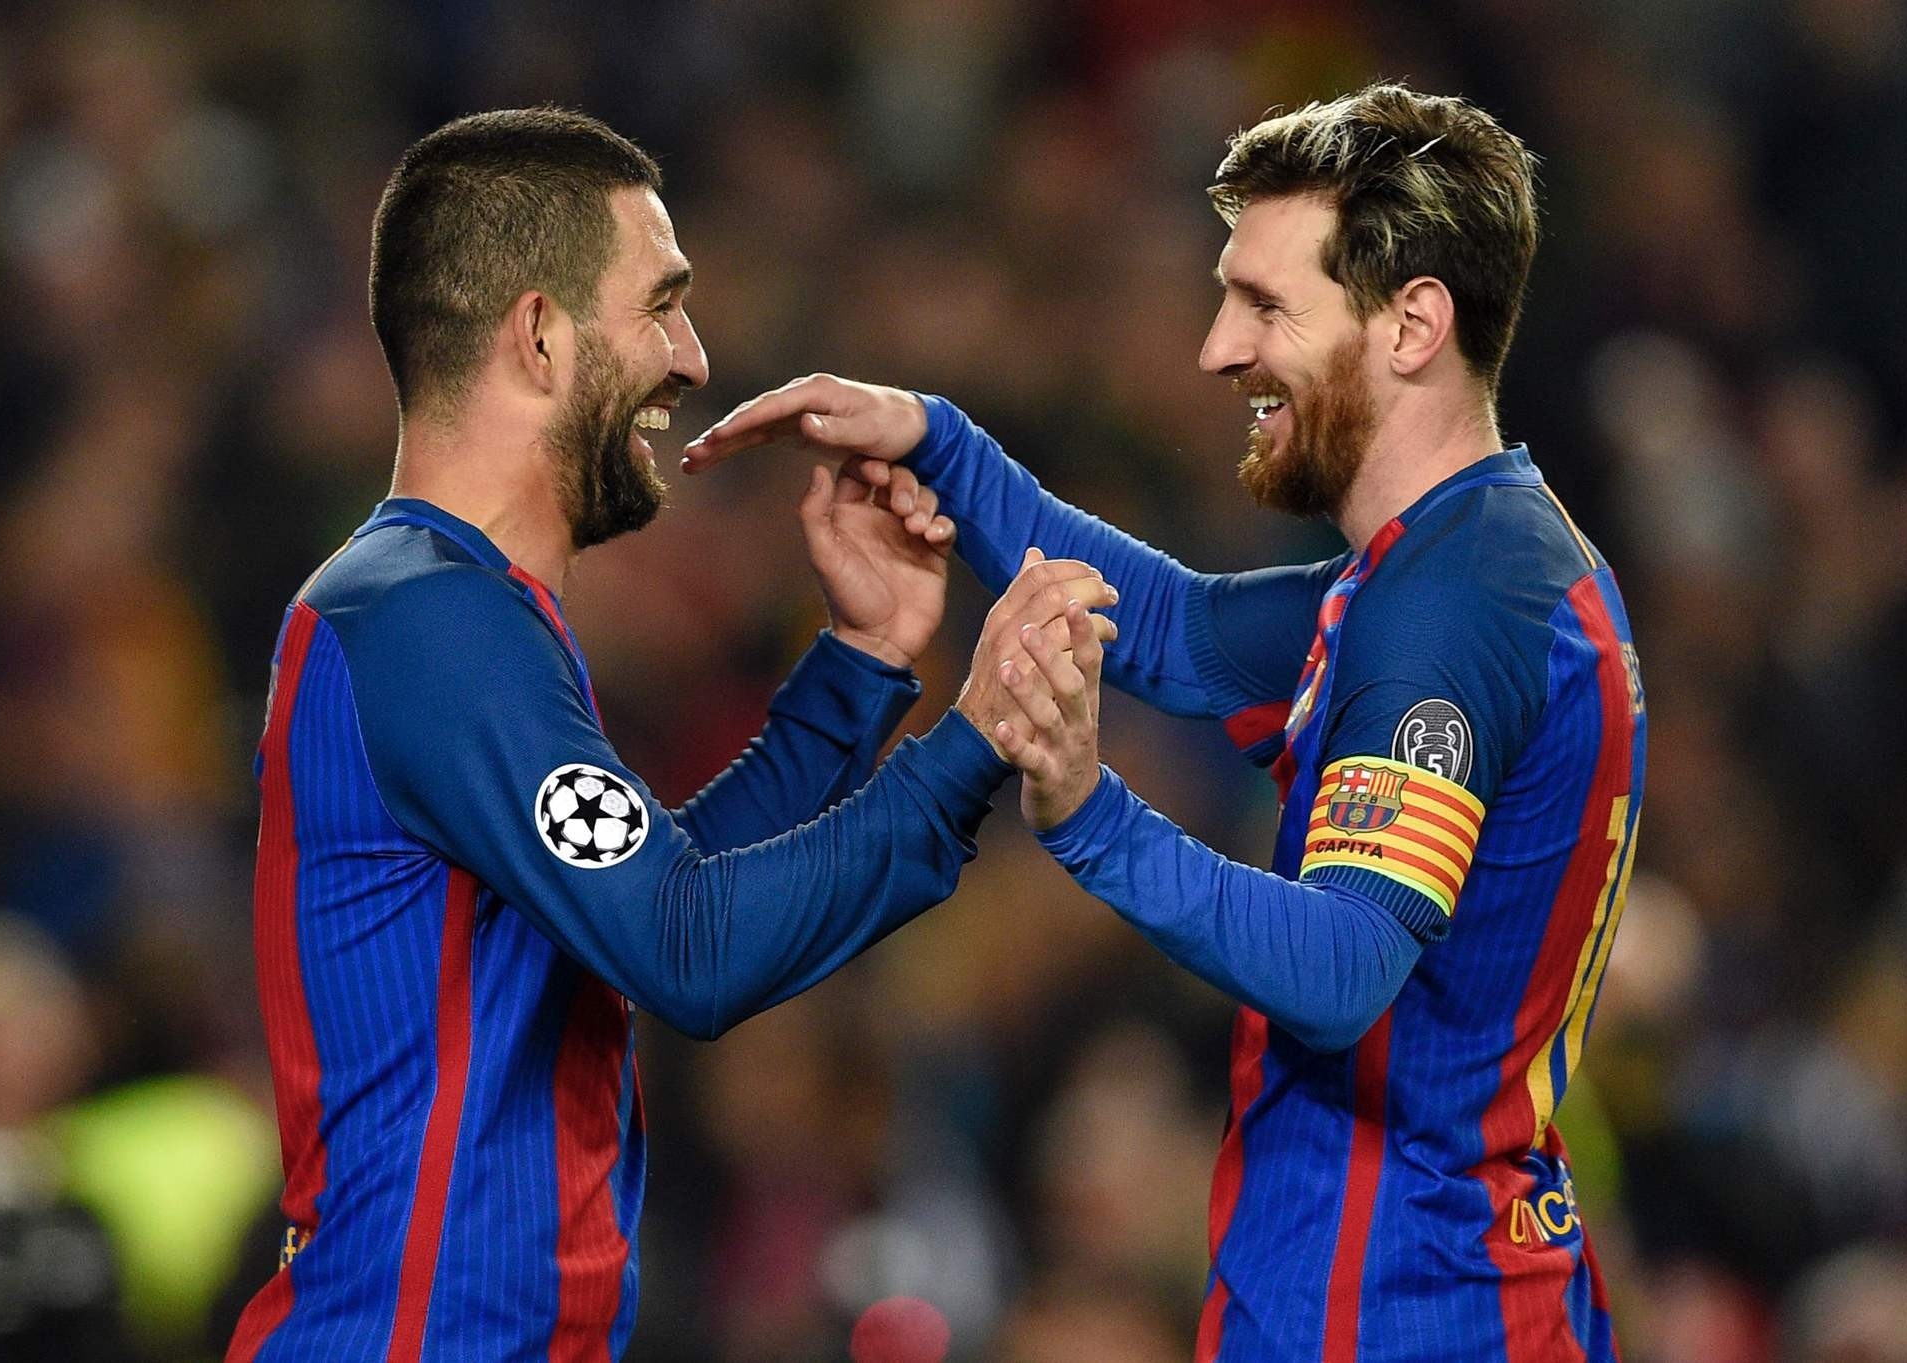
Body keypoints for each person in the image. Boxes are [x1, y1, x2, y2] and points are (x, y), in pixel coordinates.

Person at [688, 83, 1645, 1363]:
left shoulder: (1450, 612)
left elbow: (1343, 968)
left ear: (1412, 323)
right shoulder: (1463, 568)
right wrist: (936, 443)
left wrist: (1087, 813)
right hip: (1433, 1273)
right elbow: (1179, 629)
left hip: (1396, 1304)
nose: (1216, 348)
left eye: (1263, 304)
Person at [223, 108, 1115, 1362]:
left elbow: (652, 907)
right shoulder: (426, 619)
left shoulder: (452, 611)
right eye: (660, 305)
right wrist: (975, 735)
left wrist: (858, 671)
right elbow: (687, 949)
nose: (693, 357)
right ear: (538, 333)